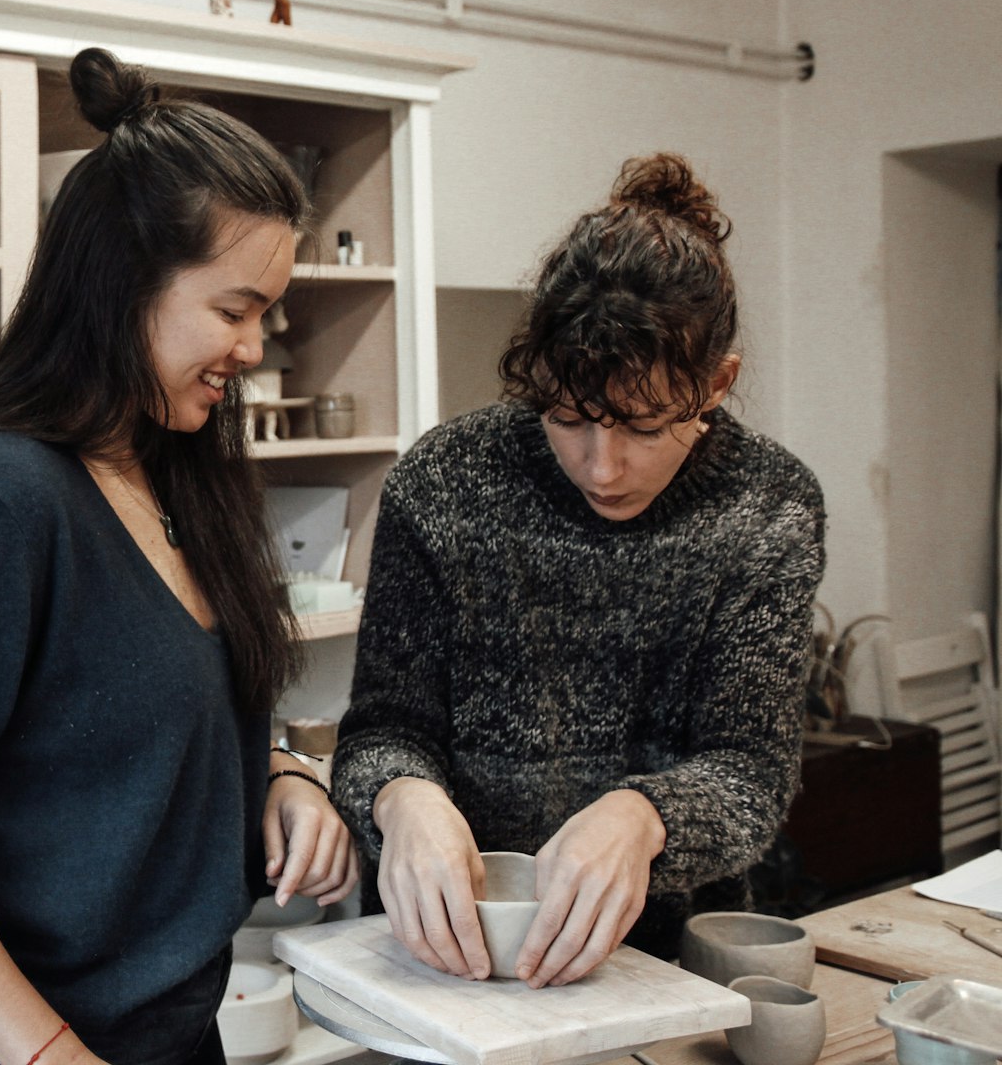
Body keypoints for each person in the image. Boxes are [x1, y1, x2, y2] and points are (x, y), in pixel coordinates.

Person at [0, 47, 358, 1065]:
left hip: (169, 1028)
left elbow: (144, 722)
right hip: (23, 1043)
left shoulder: (181, 475)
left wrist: (281, 774)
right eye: (233, 310)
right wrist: (52, 1051)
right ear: (122, 285)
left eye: (266, 315)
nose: (254, 349)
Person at [331, 153, 825, 990]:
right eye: (568, 419)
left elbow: (751, 773)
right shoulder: (445, 484)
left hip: (654, 964)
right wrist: (401, 798)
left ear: (716, 386)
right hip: (443, 955)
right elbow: (381, 731)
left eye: (642, 426)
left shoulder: (768, 505)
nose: (602, 466)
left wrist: (647, 816)